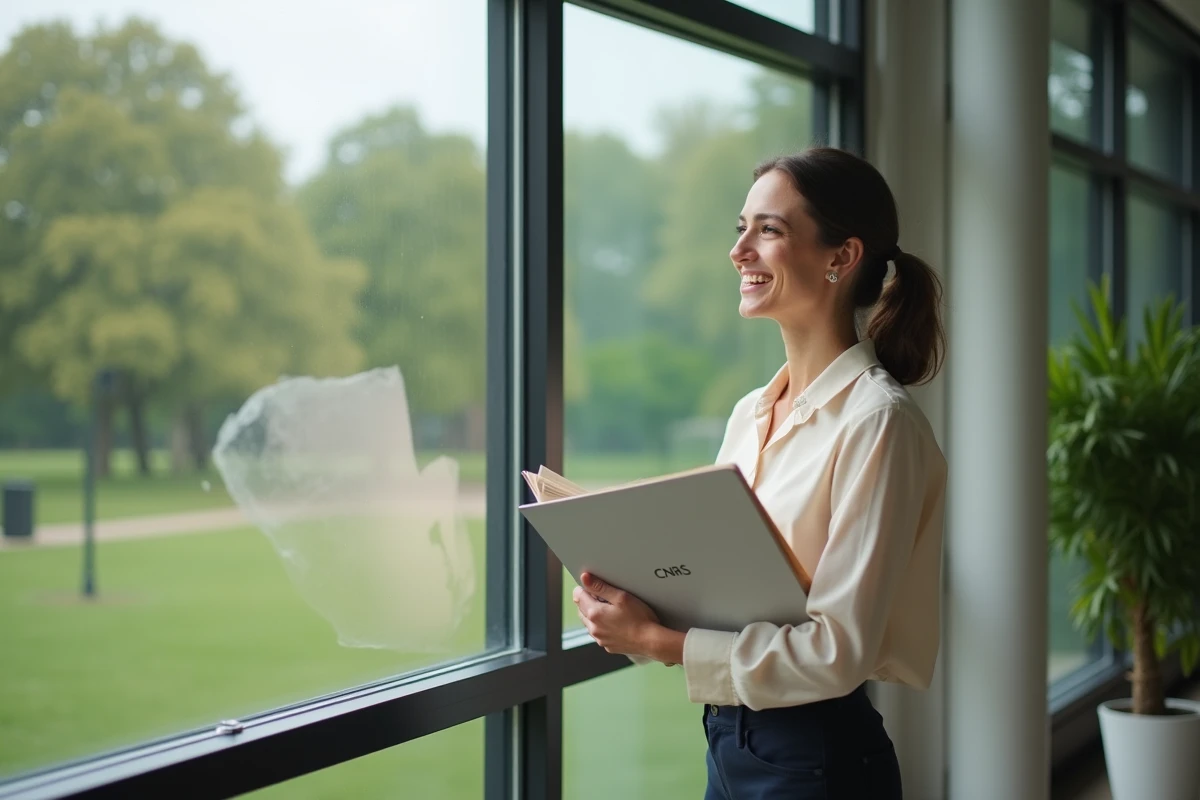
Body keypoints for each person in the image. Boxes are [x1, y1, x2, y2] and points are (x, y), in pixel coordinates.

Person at [572, 147, 948, 799]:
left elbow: (839, 650)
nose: (739, 250)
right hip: (731, 737)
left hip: (815, 759)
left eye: (768, 230)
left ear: (840, 257)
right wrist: (632, 607)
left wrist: (664, 644)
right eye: (740, 228)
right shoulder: (751, 413)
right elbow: (723, 591)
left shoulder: (877, 423)